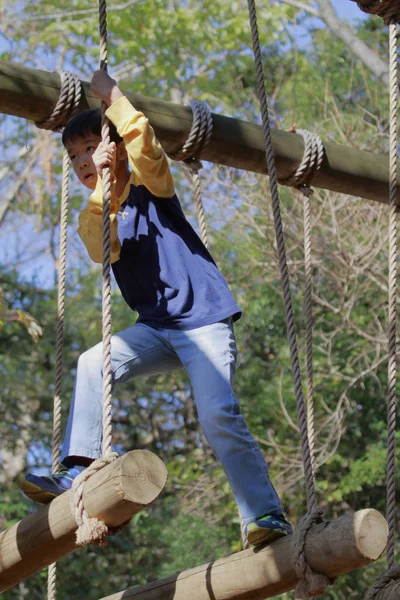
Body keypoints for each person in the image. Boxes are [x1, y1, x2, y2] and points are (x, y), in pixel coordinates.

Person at [20, 70, 292, 546]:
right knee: (91, 363)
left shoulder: (152, 184)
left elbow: (145, 144)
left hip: (203, 322)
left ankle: (264, 515)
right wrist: (102, 185)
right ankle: (79, 466)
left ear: (114, 146)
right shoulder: (99, 207)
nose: (84, 161)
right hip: (158, 329)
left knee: (217, 413)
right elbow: (99, 248)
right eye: (75, 157)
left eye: (91, 148)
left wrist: (115, 98)